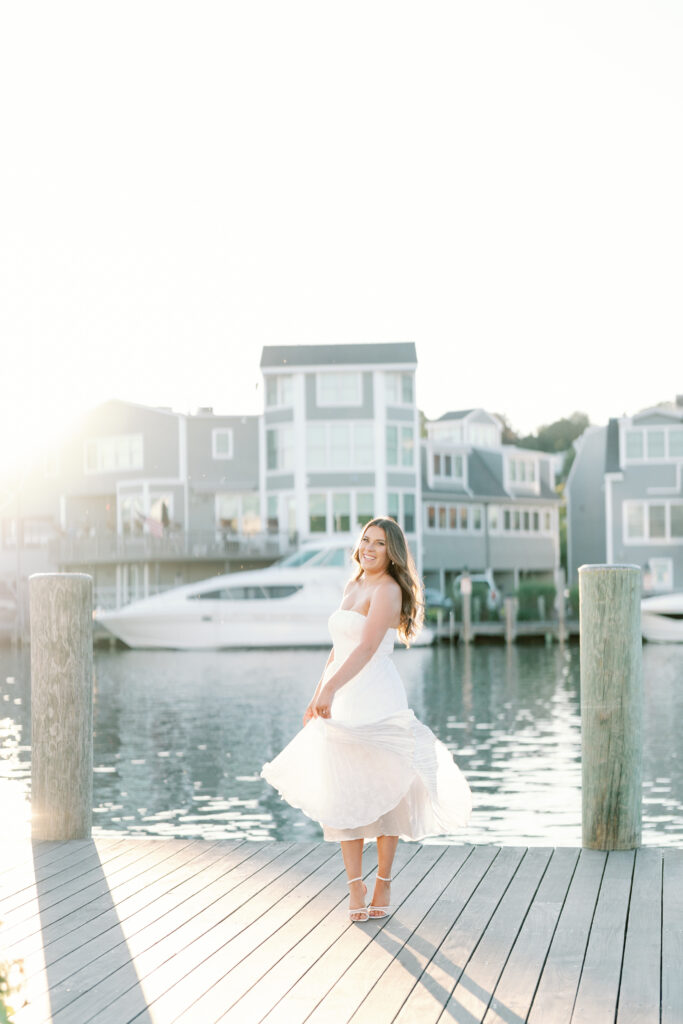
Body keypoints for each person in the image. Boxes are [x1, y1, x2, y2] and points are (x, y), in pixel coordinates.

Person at [261, 517, 472, 923]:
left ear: (392, 552)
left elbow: (365, 647)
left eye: (379, 543)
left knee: (387, 792)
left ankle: (384, 881)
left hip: (376, 698)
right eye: (365, 540)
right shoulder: (351, 586)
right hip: (344, 697)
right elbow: (339, 649)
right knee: (345, 794)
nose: (370, 548)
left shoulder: (389, 590)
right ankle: (354, 886)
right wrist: (317, 693)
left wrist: (331, 689)